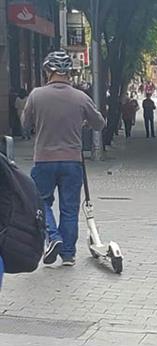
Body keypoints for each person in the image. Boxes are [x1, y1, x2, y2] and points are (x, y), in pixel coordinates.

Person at [21, 51, 106, 268]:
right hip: (72, 161)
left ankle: (53, 237)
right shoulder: (80, 97)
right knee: (69, 207)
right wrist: (82, 122)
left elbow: (24, 124)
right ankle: (68, 254)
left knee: (41, 201)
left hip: (43, 160)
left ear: (47, 71)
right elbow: (99, 123)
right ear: (69, 72)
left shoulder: (36, 95)